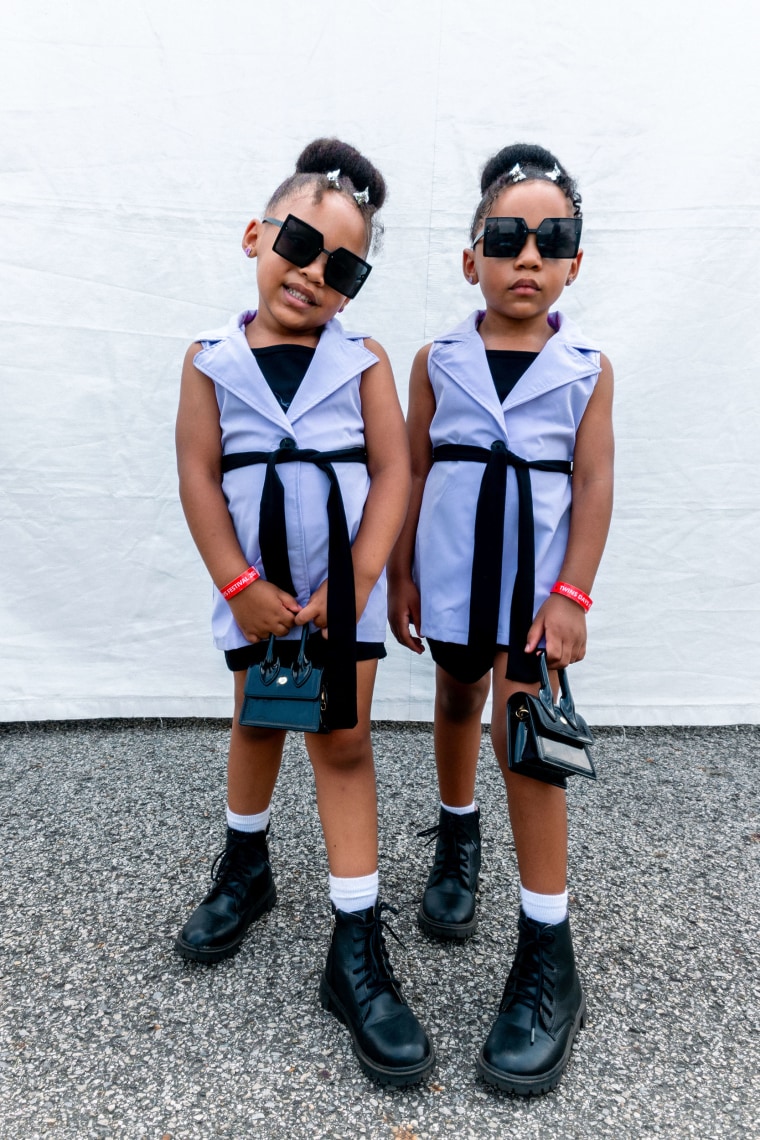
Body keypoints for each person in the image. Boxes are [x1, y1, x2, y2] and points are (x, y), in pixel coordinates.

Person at [174, 138, 434, 1087]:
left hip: (341, 603)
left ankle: (355, 943)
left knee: (343, 740)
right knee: (254, 722)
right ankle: (246, 869)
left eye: (344, 265)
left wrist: (359, 581)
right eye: (298, 241)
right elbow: (199, 476)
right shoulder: (210, 363)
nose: (315, 273)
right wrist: (239, 586)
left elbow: (396, 470)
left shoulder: (360, 363)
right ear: (256, 235)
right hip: (259, 600)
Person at [388, 143, 614, 1095]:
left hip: (532, 595)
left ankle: (548, 950)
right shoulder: (436, 360)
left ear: (573, 260)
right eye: (508, 236)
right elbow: (411, 469)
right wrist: (398, 571)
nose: (529, 254)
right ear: (471, 256)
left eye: (551, 237)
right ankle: (456, 831)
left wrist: (571, 596)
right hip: (450, 579)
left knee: (525, 739)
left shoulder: (586, 371)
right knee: (454, 696)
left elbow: (595, 488)